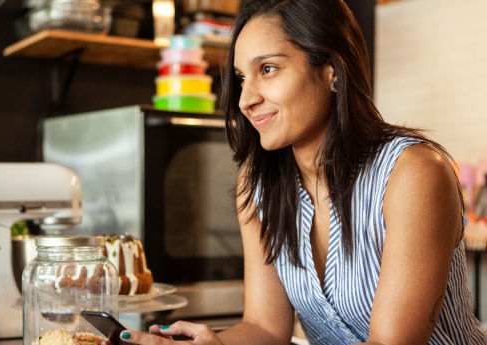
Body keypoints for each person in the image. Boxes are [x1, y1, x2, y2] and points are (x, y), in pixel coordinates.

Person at [107, 0, 487, 344]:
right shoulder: (257, 186)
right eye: (241, 77)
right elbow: (265, 327)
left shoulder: (413, 174)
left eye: (267, 69)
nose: (245, 99)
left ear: (331, 70)